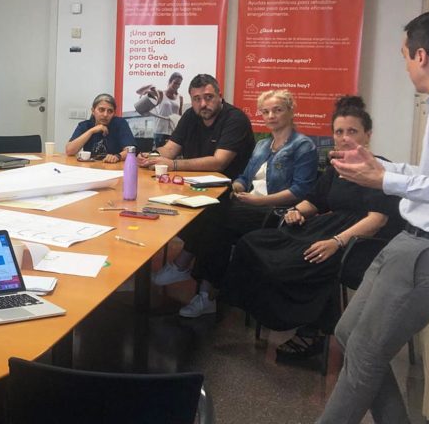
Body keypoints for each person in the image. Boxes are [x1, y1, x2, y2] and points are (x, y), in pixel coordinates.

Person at [317, 12, 429, 423]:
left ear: (420, 55)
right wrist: (385, 168)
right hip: (410, 239)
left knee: (366, 352)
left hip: (426, 250)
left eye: (404, 56)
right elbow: (428, 176)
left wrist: (384, 180)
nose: (405, 66)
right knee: (348, 333)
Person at [222, 97, 402, 360]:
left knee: (297, 261)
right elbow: (315, 201)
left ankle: (312, 331)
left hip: (359, 241)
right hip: (325, 228)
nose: (344, 138)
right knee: (253, 243)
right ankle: (266, 311)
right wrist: (297, 211)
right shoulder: (337, 167)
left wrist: (336, 242)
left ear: (368, 135)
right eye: (339, 132)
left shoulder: (379, 169)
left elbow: (377, 220)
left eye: (352, 131)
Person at [153, 90, 318, 317]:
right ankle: (206, 294)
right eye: (266, 111)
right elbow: (244, 177)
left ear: (291, 111)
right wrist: (239, 187)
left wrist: (259, 201)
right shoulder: (263, 145)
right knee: (211, 221)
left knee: (214, 219)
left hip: (277, 213)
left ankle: (186, 268)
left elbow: (301, 191)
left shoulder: (303, 146)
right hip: (249, 206)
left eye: (277, 110)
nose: (271, 116)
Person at [137, 74, 255, 317]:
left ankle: (205, 293)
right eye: (197, 99)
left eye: (209, 97)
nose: (203, 104)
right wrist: (150, 156)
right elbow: (170, 149)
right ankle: (182, 266)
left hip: (234, 191)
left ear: (220, 96)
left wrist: (173, 165)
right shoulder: (191, 116)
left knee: (214, 221)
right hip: (196, 187)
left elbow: (219, 162)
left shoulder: (235, 119)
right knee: (168, 208)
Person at [65, 93, 136, 163]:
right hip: (90, 167)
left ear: (114, 113)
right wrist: (91, 131)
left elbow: (131, 151)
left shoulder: (120, 124)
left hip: (113, 167)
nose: (105, 114)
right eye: (101, 110)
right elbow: (69, 151)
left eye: (110, 111)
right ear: (93, 111)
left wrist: (117, 157)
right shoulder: (85, 125)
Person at [136, 72, 184, 147]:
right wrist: (150, 86)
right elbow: (138, 91)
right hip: (160, 132)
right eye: (175, 83)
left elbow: (180, 116)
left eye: (179, 84)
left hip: (173, 132)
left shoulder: (180, 97)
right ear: (170, 81)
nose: (177, 86)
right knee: (159, 153)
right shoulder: (161, 93)